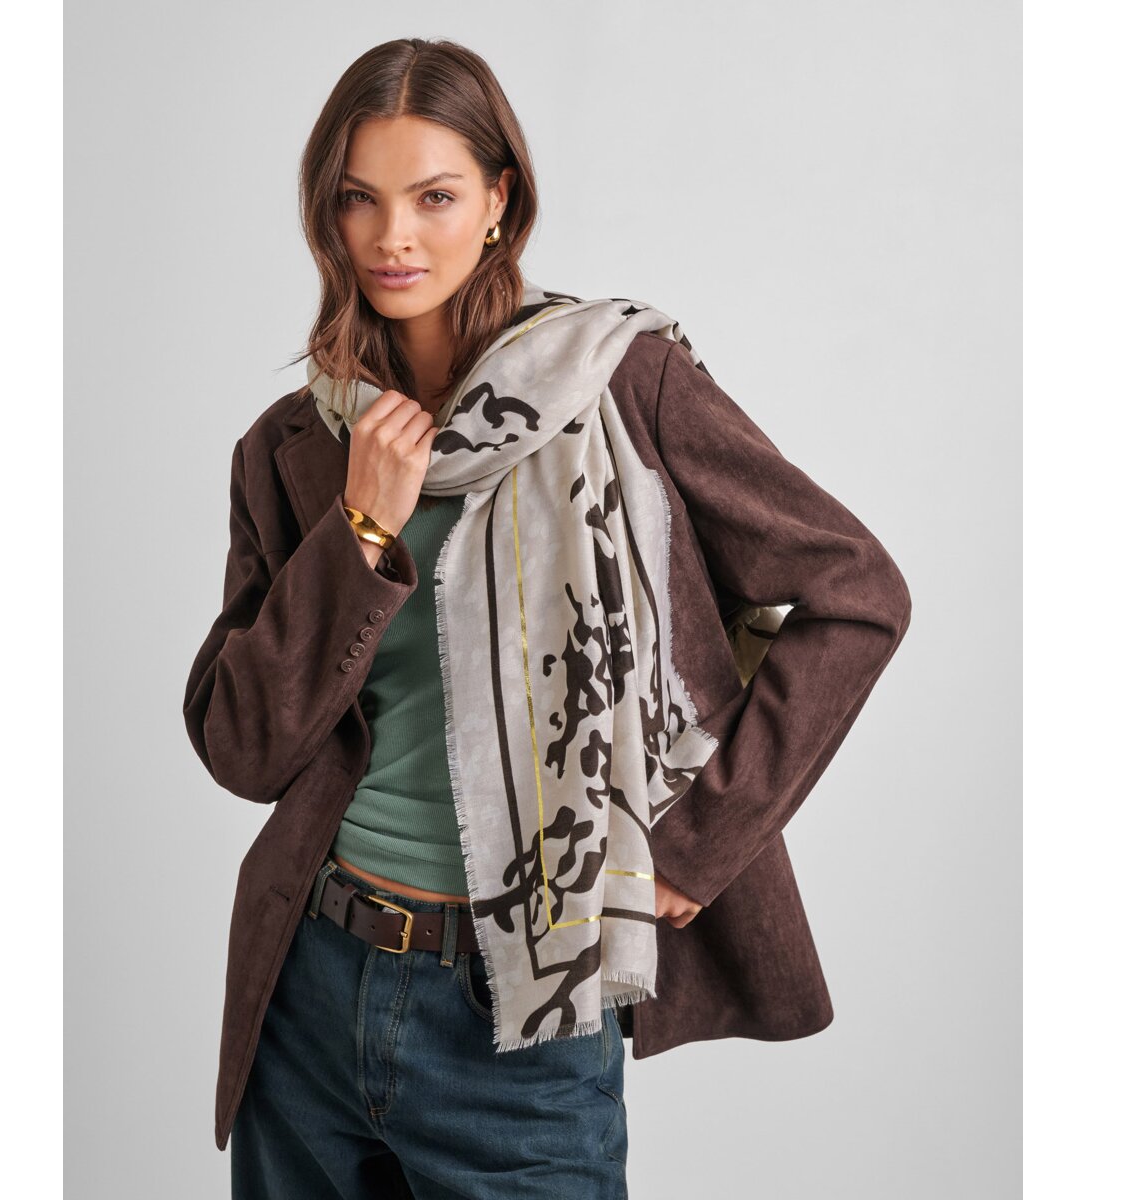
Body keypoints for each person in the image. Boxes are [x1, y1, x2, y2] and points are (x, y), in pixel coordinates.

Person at [183, 35, 911, 1200]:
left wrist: (697, 845)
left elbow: (857, 592)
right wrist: (360, 531)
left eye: (434, 196)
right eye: (360, 199)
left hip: (521, 1011)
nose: (393, 236)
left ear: (498, 201)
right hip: (309, 991)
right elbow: (241, 749)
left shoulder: (617, 383)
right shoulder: (297, 444)